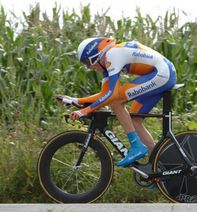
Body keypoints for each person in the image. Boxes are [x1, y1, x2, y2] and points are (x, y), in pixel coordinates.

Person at [58, 37, 176, 167]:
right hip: (161, 74)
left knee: (116, 102)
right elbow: (104, 94)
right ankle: (158, 167)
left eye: (87, 63)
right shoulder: (107, 64)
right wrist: (76, 101)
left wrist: (84, 111)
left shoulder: (112, 55)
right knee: (135, 120)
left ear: (95, 56)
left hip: (162, 74)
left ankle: (136, 147)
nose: (89, 67)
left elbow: (112, 95)